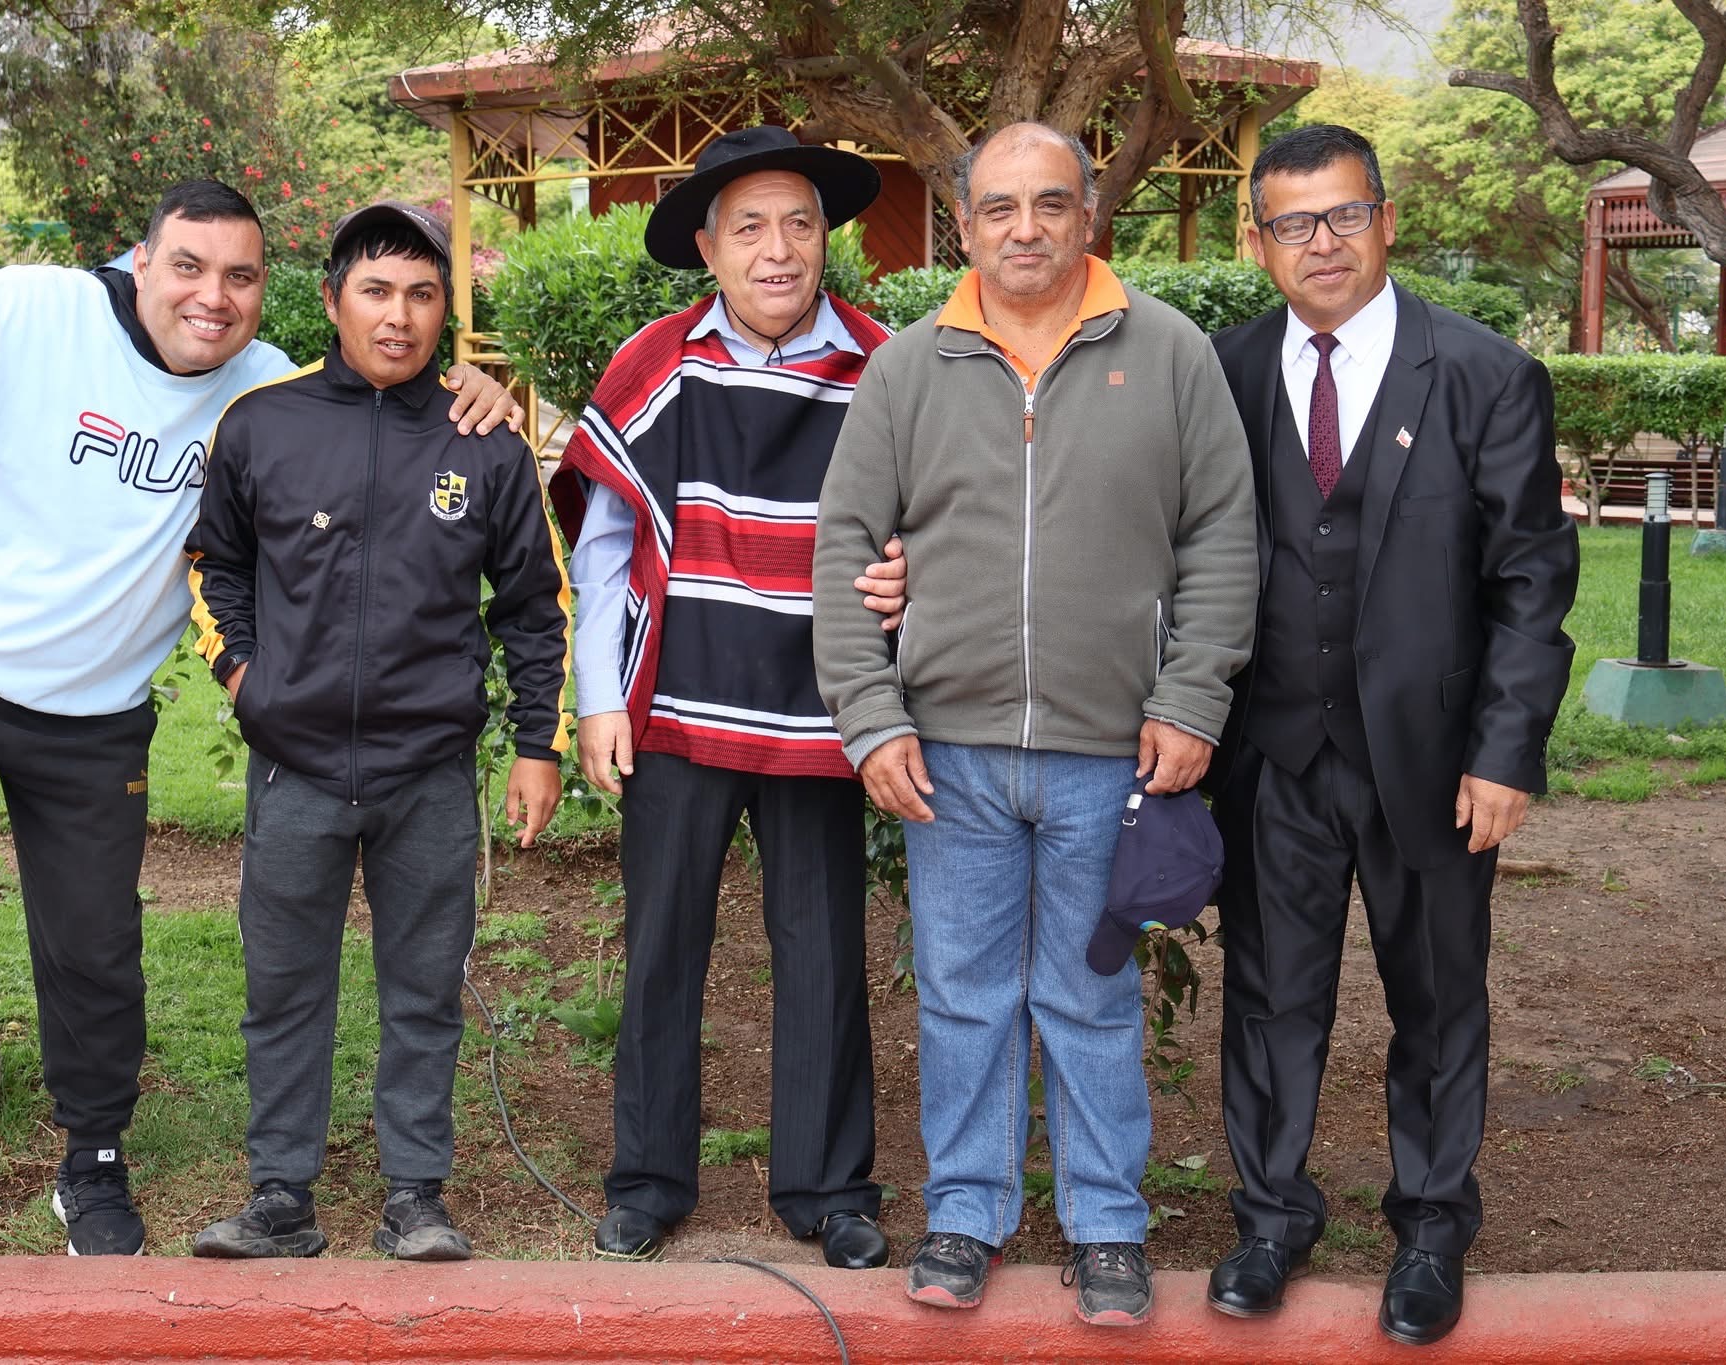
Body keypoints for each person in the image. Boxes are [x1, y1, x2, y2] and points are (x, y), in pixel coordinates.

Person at [0, 179, 519, 1296]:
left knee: (94, 944)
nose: (211, 297)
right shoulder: (31, 312)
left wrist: (472, 388)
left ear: (271, 292)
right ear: (140, 261)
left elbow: (379, 395)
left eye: (239, 277)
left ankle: (94, 1161)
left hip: (92, 710)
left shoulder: (263, 392)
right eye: (187, 267)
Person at [812, 122, 1258, 1321]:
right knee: (961, 994)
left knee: (1089, 996)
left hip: (1109, 754)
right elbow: (845, 547)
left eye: (1049, 203)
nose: (1024, 228)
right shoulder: (907, 368)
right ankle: (965, 1213)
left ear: (1086, 215)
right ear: (962, 224)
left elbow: (1222, 537)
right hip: (948, 753)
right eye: (999, 207)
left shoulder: (1167, 352)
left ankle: (1105, 1225)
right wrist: (869, 718)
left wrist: (1190, 696)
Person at [1201, 125, 1577, 1345]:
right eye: (1292, 223)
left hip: (1433, 760)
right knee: (1269, 999)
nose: (1321, 242)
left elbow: (1529, 582)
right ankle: (1270, 1219)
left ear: (1385, 220)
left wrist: (1505, 751)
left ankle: (1428, 1229)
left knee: (1437, 997)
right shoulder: (1221, 371)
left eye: (1343, 214)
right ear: (1258, 242)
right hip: (1271, 756)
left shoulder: (1482, 373)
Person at [185, 200, 569, 1264]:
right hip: (294, 768)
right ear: (332, 301)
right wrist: (248, 681)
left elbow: (533, 604)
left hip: (427, 771)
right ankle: (280, 1196)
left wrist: (536, 743)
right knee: (283, 988)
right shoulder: (262, 424)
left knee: (424, 990)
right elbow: (214, 564)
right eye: (375, 291)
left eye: (421, 294)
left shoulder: (484, 440)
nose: (398, 316)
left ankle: (416, 1195)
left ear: (445, 310)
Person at [548, 126, 903, 1270]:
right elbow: (605, 545)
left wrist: (916, 570)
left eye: (798, 223)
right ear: (707, 248)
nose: (776, 249)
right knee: (660, 946)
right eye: (747, 227)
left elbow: (942, 519)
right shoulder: (657, 363)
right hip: (678, 702)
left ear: (826, 237)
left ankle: (828, 1188)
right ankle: (647, 1182)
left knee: (823, 951)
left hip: (822, 704)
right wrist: (597, 699)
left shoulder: (884, 367)